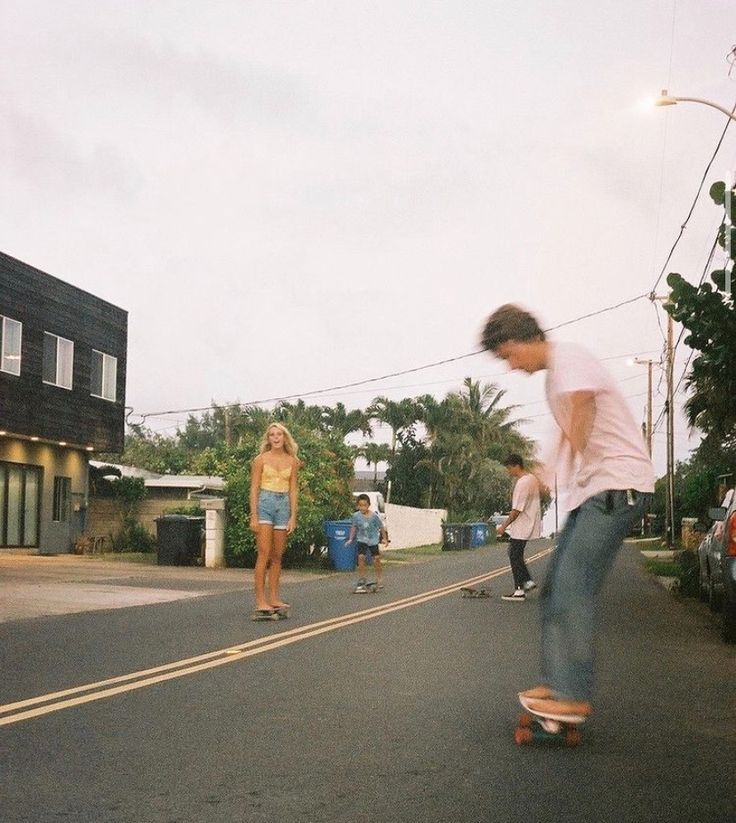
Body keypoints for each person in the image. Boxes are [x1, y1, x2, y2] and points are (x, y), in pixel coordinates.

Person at [480, 304, 654, 720]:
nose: (511, 366)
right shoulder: (555, 376)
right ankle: (560, 682)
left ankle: (572, 693)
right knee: (556, 587)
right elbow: (568, 423)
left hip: (617, 486)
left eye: (508, 356)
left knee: (573, 588)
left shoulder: (569, 358)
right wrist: (555, 470)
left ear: (522, 339)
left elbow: (582, 407)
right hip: (593, 492)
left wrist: (557, 466)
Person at [249, 422, 300, 613]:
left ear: (285, 437)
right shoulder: (260, 460)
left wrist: (293, 516)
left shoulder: (293, 461)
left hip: (283, 505)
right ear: (268, 438)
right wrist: (254, 515)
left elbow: (293, 490)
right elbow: (254, 488)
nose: (276, 438)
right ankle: (261, 601)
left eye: (279, 434)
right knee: (264, 553)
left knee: (278, 555)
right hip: (265, 503)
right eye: (272, 435)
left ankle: (274, 598)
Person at [496, 454, 541, 602]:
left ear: (516, 466)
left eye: (509, 468)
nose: (509, 471)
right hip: (530, 522)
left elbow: (517, 509)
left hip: (522, 525)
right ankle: (527, 581)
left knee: (514, 555)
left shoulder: (522, 483)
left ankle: (519, 590)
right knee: (515, 554)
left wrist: (504, 526)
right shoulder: (532, 479)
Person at [346, 493, 388, 590]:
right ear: (357, 506)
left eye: (364, 505)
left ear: (368, 505)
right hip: (362, 539)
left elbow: (381, 527)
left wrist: (384, 539)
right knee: (361, 557)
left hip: (373, 540)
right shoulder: (356, 516)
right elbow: (354, 527)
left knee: (376, 559)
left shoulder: (374, 516)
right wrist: (350, 538)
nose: (362, 508)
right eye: (360, 505)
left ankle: (379, 578)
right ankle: (362, 578)